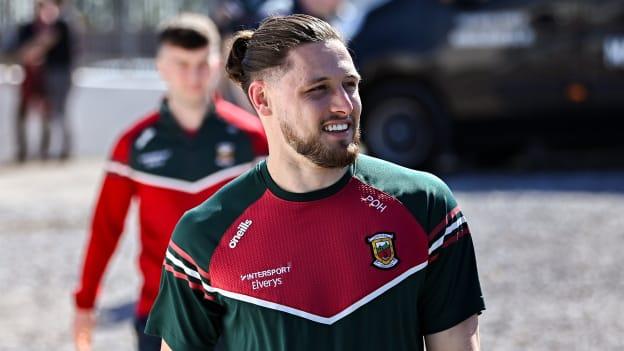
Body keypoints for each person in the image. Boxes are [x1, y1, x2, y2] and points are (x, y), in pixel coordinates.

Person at [146, 14, 484, 351]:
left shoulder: (423, 203)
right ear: (262, 99)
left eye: (350, 85)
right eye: (318, 89)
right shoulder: (205, 232)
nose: (344, 104)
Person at [72, 13, 267, 351]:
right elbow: (106, 227)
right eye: (181, 63)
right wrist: (85, 301)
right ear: (161, 66)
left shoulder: (253, 139)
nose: (193, 75)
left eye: (201, 63)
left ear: (218, 64)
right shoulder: (133, 143)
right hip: (160, 314)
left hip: (238, 313)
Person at [12, 0, 74, 162]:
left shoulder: (61, 27)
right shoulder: (27, 28)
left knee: (56, 113)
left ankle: (53, 151)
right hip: (33, 77)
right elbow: (22, 53)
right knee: (23, 114)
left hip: (57, 75)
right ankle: (23, 152)